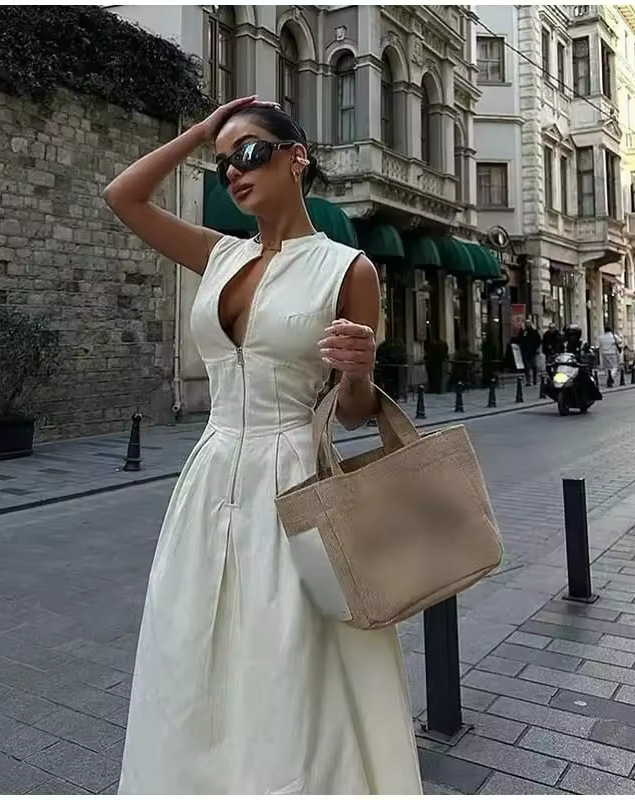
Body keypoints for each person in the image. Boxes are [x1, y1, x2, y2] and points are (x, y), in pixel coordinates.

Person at [104, 95, 423, 795]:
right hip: (210, 474)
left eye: (248, 153)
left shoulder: (349, 270)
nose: (234, 172)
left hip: (294, 479)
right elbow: (123, 196)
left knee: (290, 659)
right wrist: (202, 129)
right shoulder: (221, 254)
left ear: (295, 158)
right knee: (191, 646)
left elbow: (353, 414)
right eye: (223, 165)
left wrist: (360, 373)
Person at [518, 319, 542, 385]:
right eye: (526, 323)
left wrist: (536, 348)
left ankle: (534, 380)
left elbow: (539, 340)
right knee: (527, 367)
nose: (527, 325)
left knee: (534, 366)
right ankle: (528, 381)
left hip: (533, 352)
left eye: (528, 323)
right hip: (525, 351)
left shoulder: (534, 331)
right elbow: (519, 339)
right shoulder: (523, 331)